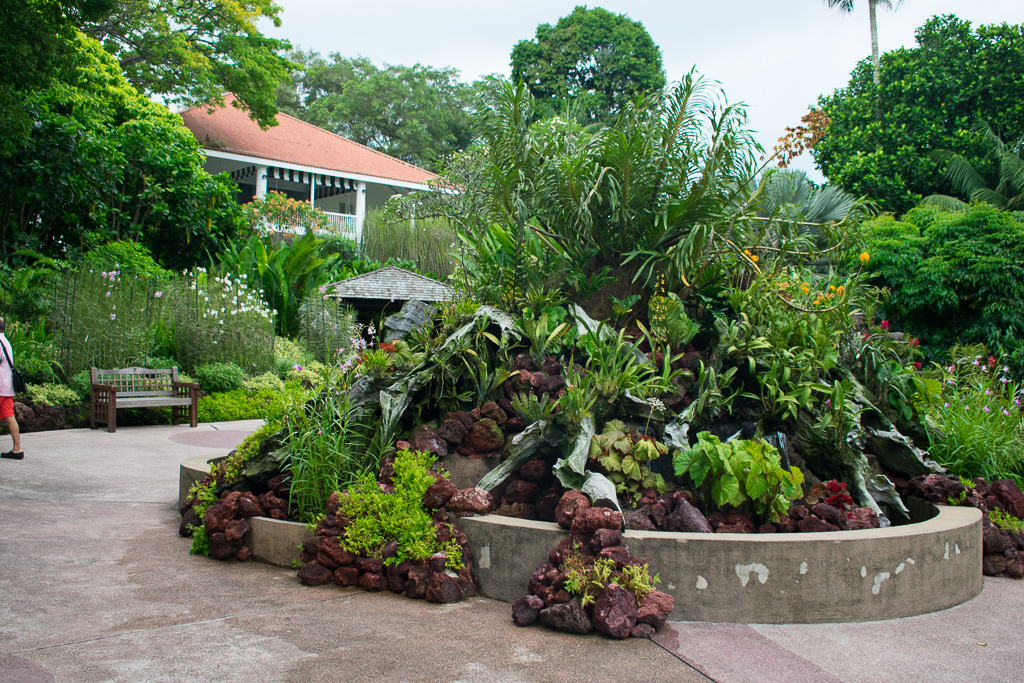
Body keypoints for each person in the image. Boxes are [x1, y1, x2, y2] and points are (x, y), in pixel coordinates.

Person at [0, 317, 23, 459]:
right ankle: (17, 449)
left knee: (9, 416)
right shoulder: (6, 342)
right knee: (9, 416)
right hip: (7, 386)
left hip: (0, 385)